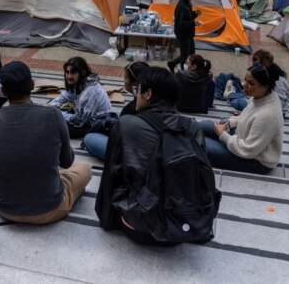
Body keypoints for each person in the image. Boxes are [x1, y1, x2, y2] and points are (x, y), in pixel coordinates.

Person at [96, 67, 208, 244]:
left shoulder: (126, 124)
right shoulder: (192, 127)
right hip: (182, 227)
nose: (136, 95)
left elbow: (112, 176)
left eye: (138, 90)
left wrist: (106, 218)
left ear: (148, 94)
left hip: (138, 226)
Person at [0, 61, 92, 224]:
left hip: (5, 208)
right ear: (32, 85)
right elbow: (67, 162)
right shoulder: (53, 115)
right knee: (86, 168)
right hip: (50, 208)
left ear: (3, 91)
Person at [199, 62, 284, 175]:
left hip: (254, 161)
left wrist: (222, 135)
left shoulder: (267, 115)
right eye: (245, 80)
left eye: (251, 83)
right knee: (199, 127)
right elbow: (246, 116)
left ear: (264, 87)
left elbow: (247, 150)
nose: (244, 84)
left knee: (200, 142)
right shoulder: (262, 96)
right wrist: (230, 122)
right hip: (241, 137)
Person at [82, 61, 149, 160]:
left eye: (125, 77)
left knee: (89, 138)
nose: (124, 80)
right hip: (143, 147)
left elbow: (123, 135)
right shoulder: (153, 99)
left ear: (135, 83)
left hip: (131, 155)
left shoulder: (134, 107)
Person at [50, 57, 112, 138]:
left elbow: (78, 121)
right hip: (85, 118)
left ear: (81, 72)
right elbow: (67, 95)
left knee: (55, 126)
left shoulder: (90, 91)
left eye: (73, 73)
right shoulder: (82, 82)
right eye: (67, 72)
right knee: (52, 114)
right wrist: (52, 105)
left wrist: (57, 113)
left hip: (94, 125)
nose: (69, 76)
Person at [223, 49, 289, 117]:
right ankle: (232, 93)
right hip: (283, 110)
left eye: (254, 64)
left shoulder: (263, 76)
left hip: (270, 110)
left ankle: (231, 94)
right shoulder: (279, 75)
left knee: (237, 101)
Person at [167, 0, 201, 74]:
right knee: (185, 54)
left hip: (188, 32)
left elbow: (188, 16)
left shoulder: (187, 3)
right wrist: (193, 23)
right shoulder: (181, 6)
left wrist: (195, 14)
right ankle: (182, 72)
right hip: (182, 33)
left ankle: (173, 64)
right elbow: (180, 24)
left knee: (192, 52)